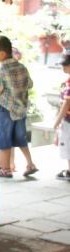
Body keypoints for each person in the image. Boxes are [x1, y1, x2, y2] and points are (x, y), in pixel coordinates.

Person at [0, 35, 37, 179]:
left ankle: (5, 169)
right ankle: (30, 164)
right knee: (20, 138)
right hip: (21, 110)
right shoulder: (22, 67)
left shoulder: (2, 70)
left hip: (6, 109)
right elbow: (30, 84)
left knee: (4, 139)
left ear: (2, 54)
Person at [53, 52, 70, 181]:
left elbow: (66, 103)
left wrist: (57, 121)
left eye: (66, 65)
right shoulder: (67, 81)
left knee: (68, 146)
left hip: (68, 120)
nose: (63, 67)